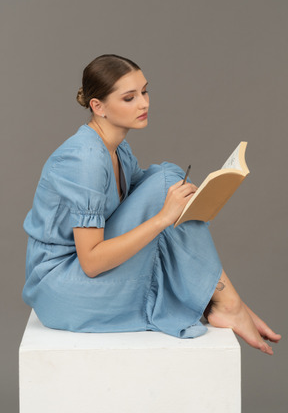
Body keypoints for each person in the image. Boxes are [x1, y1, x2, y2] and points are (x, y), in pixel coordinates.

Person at [23, 54, 281, 355]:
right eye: (129, 98)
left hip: (78, 276)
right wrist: (163, 217)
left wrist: (194, 197)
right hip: (63, 288)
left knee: (167, 178)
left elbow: (147, 191)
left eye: (144, 92)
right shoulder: (86, 159)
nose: (144, 104)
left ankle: (226, 300)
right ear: (98, 106)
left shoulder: (117, 148)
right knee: (164, 188)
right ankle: (228, 302)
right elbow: (91, 263)